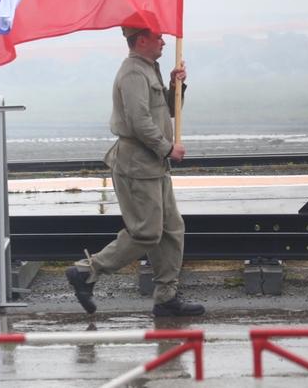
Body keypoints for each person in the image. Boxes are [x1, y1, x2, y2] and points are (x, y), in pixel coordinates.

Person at [65, 26, 205, 317]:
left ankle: (166, 298)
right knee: (146, 233)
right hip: (137, 165)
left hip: (153, 165)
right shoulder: (132, 73)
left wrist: (175, 86)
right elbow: (139, 122)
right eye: (158, 37)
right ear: (141, 40)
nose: (164, 42)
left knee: (171, 230)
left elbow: (166, 111)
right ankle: (86, 271)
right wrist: (167, 148)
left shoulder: (148, 69)